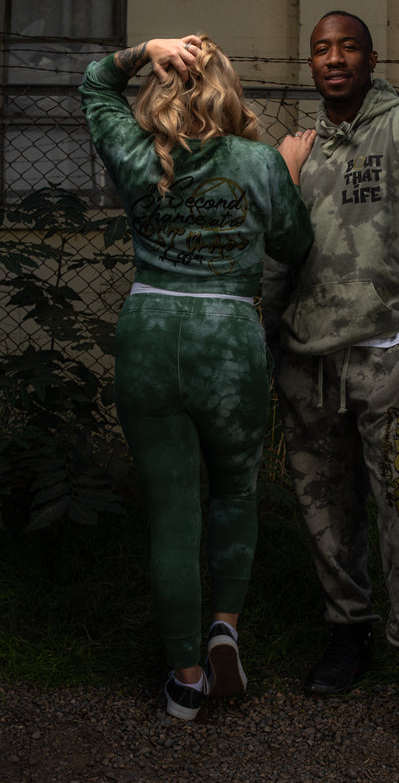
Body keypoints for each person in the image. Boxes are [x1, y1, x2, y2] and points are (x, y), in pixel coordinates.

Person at [80, 35, 314, 721]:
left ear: (161, 83)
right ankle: (224, 627)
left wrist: (139, 49)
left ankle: (184, 679)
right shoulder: (256, 162)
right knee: (235, 491)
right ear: (227, 89)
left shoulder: (135, 150)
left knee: (171, 516)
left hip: (150, 331)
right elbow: (294, 246)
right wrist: (289, 175)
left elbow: (94, 84)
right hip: (228, 341)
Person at [263, 11, 399, 741]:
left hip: (390, 359)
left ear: (370, 56)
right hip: (307, 361)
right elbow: (277, 248)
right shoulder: (298, 148)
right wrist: (268, 335)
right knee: (325, 511)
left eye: (346, 46)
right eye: (320, 49)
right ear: (311, 64)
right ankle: (347, 632)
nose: (333, 58)